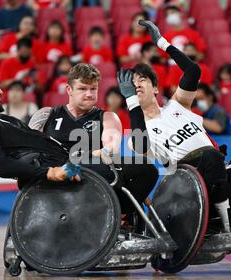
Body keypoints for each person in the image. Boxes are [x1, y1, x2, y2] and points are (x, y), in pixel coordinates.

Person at [118, 20, 231, 233]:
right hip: (189, 183)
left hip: (220, 169)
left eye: (141, 80)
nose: (136, 85)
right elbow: (141, 145)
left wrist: (162, 43)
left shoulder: (177, 105)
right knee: (210, 156)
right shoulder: (138, 133)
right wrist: (131, 101)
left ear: (155, 88)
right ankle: (230, 224)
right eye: (132, 84)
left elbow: (192, 71)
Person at [29, 63, 159, 228]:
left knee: (147, 168)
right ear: (69, 90)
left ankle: (117, 213)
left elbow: (111, 146)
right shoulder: (46, 115)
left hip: (92, 173)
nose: (89, 94)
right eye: (83, 89)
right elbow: (30, 149)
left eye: (93, 89)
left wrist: (103, 151)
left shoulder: (107, 117)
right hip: (55, 175)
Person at [0, 67, 80, 191]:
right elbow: (2, 166)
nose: (0, 92)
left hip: (69, 163)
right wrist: (51, 172)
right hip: (55, 181)